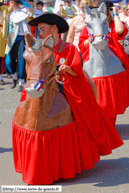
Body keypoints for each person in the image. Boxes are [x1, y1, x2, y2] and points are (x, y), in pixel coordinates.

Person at [13, 12, 124, 185]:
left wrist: (67, 70)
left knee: (79, 107)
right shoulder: (39, 46)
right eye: (38, 30)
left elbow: (77, 70)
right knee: (24, 103)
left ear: (54, 29)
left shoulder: (69, 48)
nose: (40, 33)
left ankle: (83, 125)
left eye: (42, 29)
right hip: (41, 82)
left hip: (66, 84)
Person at [78, 1, 129, 125]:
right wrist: (93, 38)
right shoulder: (90, 25)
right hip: (92, 53)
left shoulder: (113, 23)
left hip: (114, 54)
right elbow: (82, 44)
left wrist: (116, 14)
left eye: (106, 10)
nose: (103, 12)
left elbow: (120, 31)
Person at [5, 0, 31, 92]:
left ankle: (20, 82)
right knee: (8, 61)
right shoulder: (10, 14)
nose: (9, 3)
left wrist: (29, 41)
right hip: (11, 39)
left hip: (20, 39)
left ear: (14, 3)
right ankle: (14, 76)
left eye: (11, 2)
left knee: (20, 62)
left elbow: (26, 29)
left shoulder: (23, 14)